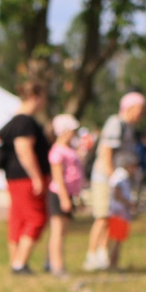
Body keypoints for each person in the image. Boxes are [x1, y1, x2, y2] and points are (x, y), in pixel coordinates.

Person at [0, 73, 52, 276]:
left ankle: (15, 261)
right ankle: (20, 263)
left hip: (14, 178)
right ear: (35, 97)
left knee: (18, 219)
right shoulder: (25, 122)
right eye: (44, 97)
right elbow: (24, 149)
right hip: (26, 179)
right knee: (36, 218)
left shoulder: (11, 122)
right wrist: (37, 176)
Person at [85, 90, 146, 271]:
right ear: (131, 107)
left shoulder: (129, 127)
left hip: (118, 178)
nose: (142, 114)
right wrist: (113, 178)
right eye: (140, 109)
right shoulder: (115, 123)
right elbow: (106, 152)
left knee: (113, 218)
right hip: (106, 177)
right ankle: (92, 254)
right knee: (103, 215)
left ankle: (106, 256)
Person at [45, 115, 87, 277]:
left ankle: (54, 262)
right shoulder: (57, 151)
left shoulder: (69, 149)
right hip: (59, 194)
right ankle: (57, 266)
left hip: (69, 194)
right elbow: (58, 177)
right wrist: (63, 198)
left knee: (63, 232)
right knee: (57, 231)